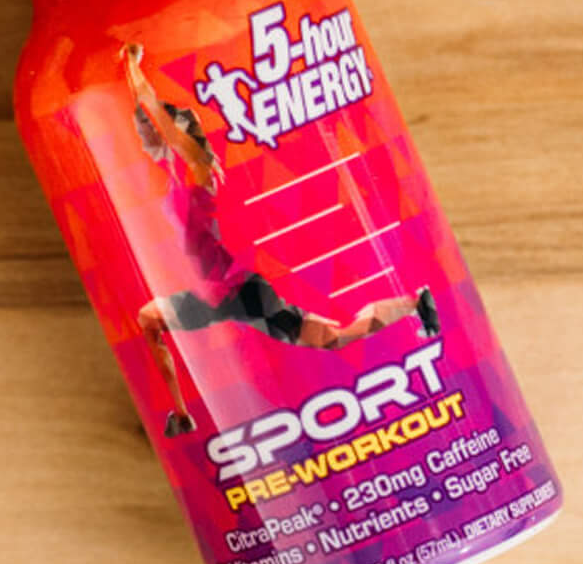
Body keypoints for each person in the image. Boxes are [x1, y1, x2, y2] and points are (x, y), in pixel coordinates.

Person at [121, 43, 436, 438]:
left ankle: (414, 303)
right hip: (217, 296)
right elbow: (147, 121)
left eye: (168, 130)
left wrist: (133, 65)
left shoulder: (199, 168)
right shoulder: (171, 171)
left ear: (184, 136)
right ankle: (182, 416)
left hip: (238, 292)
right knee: (150, 320)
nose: (157, 135)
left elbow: (153, 111)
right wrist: (132, 86)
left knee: (332, 338)